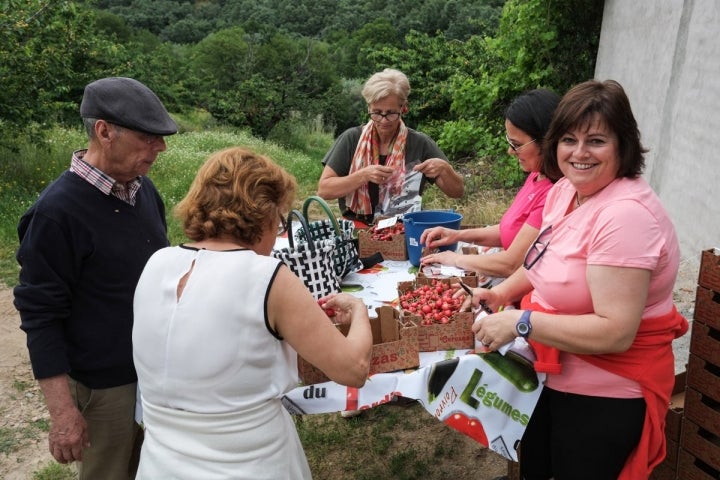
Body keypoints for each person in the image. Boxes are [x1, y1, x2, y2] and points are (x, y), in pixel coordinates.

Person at [465, 79, 689, 479]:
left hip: (604, 392)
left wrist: (520, 321)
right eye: (569, 139)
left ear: (624, 145)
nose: (579, 153)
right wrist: (497, 292)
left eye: (597, 141)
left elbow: (615, 333)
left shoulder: (625, 217)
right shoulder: (566, 191)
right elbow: (540, 263)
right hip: (552, 373)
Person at [131, 147, 373, 479]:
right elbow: (353, 369)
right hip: (250, 464)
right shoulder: (267, 277)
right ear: (265, 215)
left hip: (162, 465)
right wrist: (358, 311)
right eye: (280, 220)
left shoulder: (155, 264)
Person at [13, 77, 178, 479]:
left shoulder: (142, 190)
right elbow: (41, 316)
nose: (161, 147)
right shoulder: (56, 213)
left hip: (155, 374)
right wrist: (63, 412)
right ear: (104, 132)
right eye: (148, 137)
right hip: (105, 388)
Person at [420, 89, 561, 279]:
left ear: (546, 141)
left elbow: (510, 264)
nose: (510, 152)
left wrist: (455, 259)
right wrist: (457, 235)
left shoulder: (555, 192)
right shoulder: (536, 174)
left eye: (516, 145)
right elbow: (509, 231)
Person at [317, 68, 464, 226]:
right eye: (377, 113)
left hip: (403, 230)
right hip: (357, 231)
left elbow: (457, 192)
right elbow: (324, 190)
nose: (384, 120)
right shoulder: (351, 139)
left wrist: (445, 170)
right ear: (369, 108)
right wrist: (363, 176)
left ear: (403, 108)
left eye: (391, 113)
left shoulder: (419, 144)